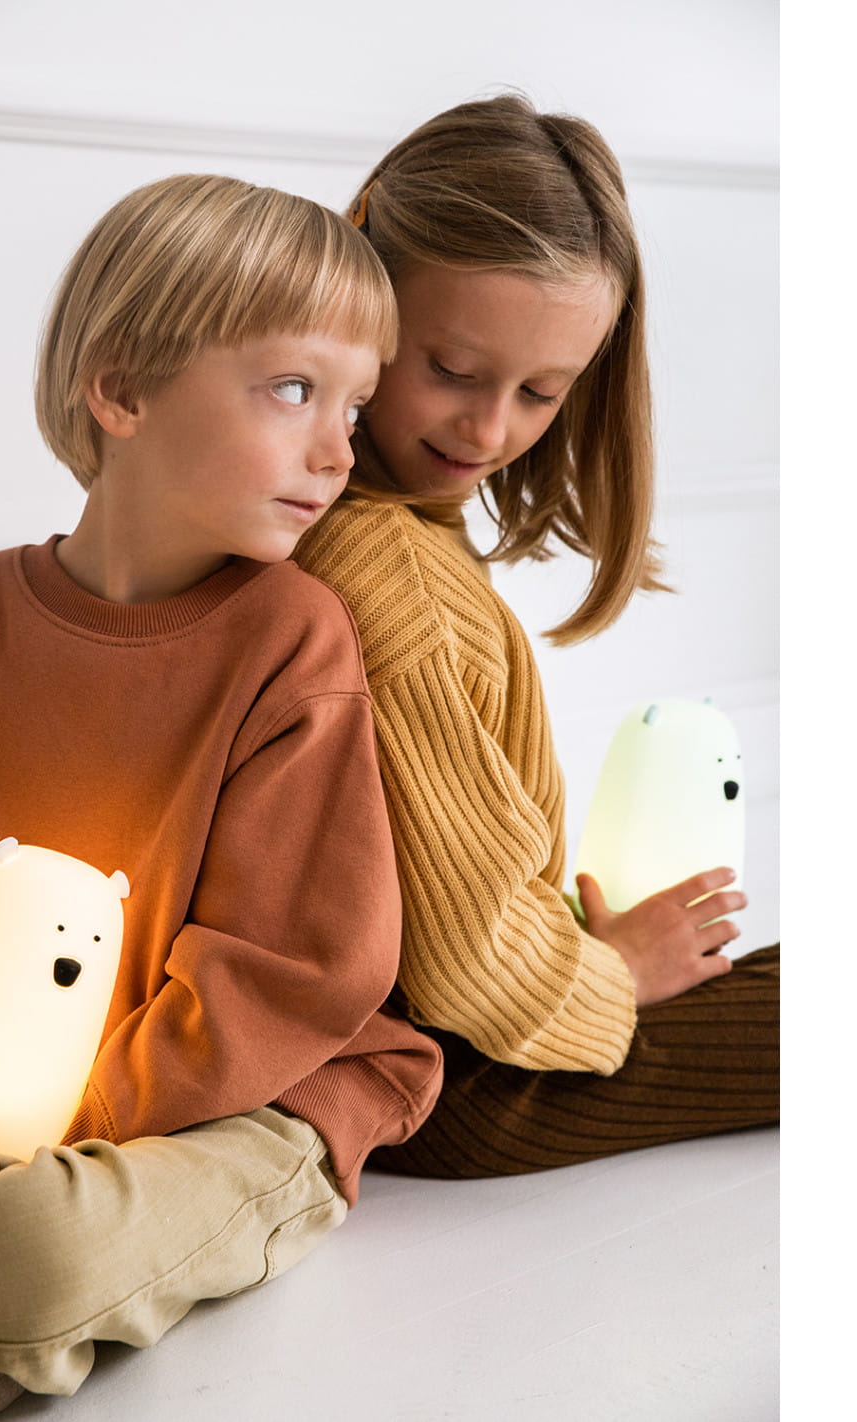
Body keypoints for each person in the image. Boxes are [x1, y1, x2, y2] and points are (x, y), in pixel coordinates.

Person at [0, 172, 443, 1418]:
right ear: (120, 391)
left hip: (250, 1104)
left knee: (30, 1248)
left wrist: (48, 1127)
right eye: (293, 389)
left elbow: (293, 974)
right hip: (7, 1087)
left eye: (355, 404)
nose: (339, 450)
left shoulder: (290, 637)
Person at [293, 94, 779, 1180]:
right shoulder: (388, 579)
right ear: (362, 269)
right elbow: (467, 965)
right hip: (446, 1078)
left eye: (540, 392)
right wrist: (615, 973)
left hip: (447, 1040)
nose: (487, 428)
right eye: (452, 370)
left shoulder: (358, 522)